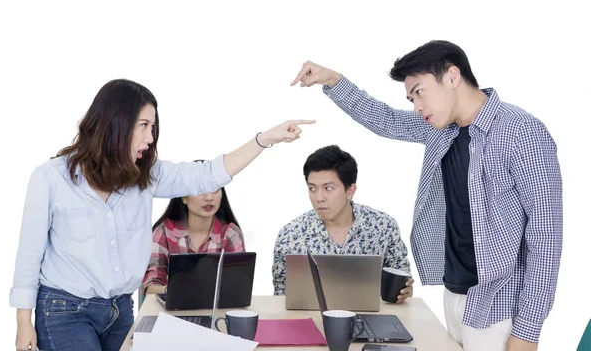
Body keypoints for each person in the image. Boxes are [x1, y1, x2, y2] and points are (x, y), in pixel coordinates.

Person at [290, 41, 562, 351]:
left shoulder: (521, 132)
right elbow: (386, 119)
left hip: (501, 306)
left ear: (452, 76)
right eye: (410, 98)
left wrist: (527, 330)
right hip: (455, 296)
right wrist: (332, 80)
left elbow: (546, 237)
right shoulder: (440, 128)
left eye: (419, 92)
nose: (416, 106)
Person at [10, 78, 314, 351]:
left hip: (120, 311)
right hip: (64, 311)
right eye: (143, 126)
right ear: (115, 123)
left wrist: (264, 139)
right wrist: (24, 321)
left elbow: (207, 175)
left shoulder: (147, 175)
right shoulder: (50, 178)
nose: (150, 137)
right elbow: (29, 255)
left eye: (153, 127)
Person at [272, 145, 412, 299]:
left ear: (350, 191)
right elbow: (281, 296)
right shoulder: (291, 235)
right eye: (312, 189)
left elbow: (401, 278)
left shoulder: (383, 226)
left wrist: (404, 292)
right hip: (308, 320)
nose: (319, 197)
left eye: (328, 188)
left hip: (370, 320)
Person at [143, 183, 244, 295]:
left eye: (215, 190)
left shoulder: (230, 234)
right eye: (200, 190)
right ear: (184, 197)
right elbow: (150, 288)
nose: (209, 198)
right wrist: (174, 291)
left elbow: (239, 287)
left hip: (218, 310)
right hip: (172, 309)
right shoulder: (164, 231)